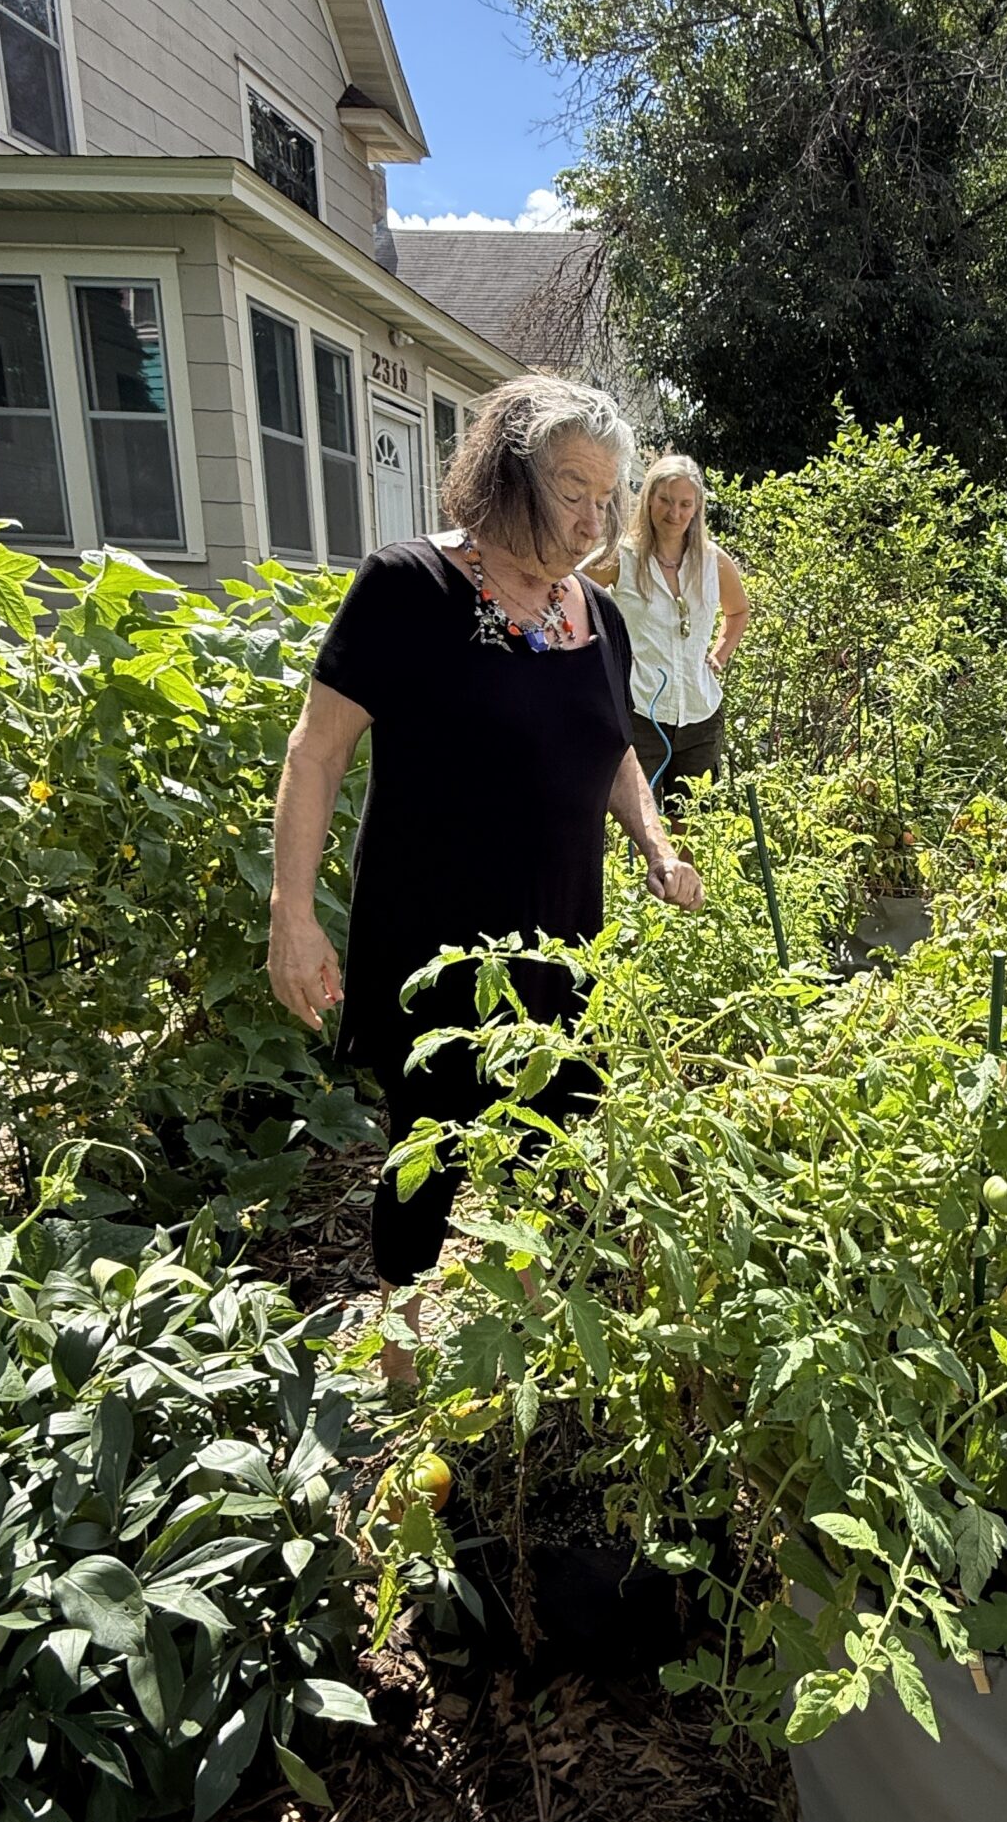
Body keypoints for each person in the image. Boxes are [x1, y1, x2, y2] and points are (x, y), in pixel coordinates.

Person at [267, 375, 704, 1290]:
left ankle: (534, 1324)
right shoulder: (408, 587)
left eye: (606, 499)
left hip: (562, 940)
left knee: (559, 1142)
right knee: (427, 1153)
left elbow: (613, 751)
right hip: (436, 943)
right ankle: (401, 1334)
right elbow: (317, 752)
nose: (592, 523)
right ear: (508, 479)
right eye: (572, 492)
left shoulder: (599, 617)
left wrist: (657, 846)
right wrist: (292, 915)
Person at [592, 453, 750, 809]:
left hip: (700, 713)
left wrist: (719, 655)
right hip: (640, 712)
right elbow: (569, 590)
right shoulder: (623, 557)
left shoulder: (713, 562)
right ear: (649, 498)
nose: (674, 513)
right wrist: (600, 657)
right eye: (665, 500)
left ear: (697, 508)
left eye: (684, 504)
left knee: (692, 821)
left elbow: (738, 611)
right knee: (635, 820)